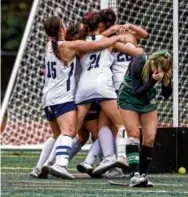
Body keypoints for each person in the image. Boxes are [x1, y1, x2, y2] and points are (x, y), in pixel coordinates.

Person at [29, 15, 128, 179]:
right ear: (62, 29)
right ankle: (60, 164)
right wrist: (118, 36)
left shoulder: (50, 46)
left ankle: (40, 167)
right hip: (64, 97)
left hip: (47, 97)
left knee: (61, 135)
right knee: (69, 132)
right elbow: (99, 44)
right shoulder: (70, 46)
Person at [75, 11, 144, 177]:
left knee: (79, 130)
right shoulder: (115, 40)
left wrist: (115, 34)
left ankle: (87, 161)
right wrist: (125, 38)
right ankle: (117, 158)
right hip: (114, 87)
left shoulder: (81, 42)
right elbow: (138, 51)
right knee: (120, 126)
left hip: (86, 89)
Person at [118, 50, 172, 187]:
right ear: (152, 63)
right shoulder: (139, 62)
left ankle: (142, 175)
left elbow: (166, 95)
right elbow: (136, 91)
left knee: (149, 138)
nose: (158, 72)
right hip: (129, 97)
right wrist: (153, 80)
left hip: (147, 99)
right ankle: (134, 175)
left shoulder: (165, 68)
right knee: (134, 134)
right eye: (156, 69)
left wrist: (166, 82)